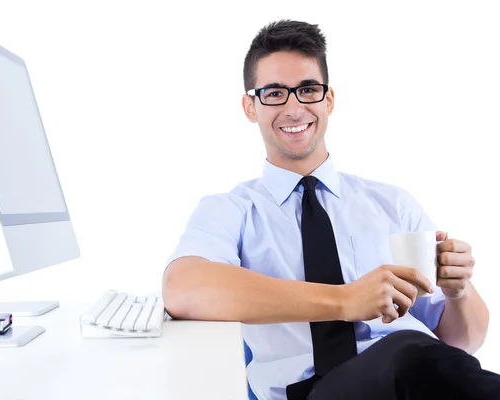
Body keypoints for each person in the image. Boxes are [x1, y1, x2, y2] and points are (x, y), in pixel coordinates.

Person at [162, 20, 499, 400]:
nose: (294, 107)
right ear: (250, 106)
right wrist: (345, 300)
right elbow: (182, 288)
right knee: (407, 354)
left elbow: (462, 342)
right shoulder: (231, 210)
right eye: (274, 93)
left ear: (329, 100)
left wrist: (459, 291)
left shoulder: (392, 203)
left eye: (308, 89)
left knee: (425, 360)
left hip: (423, 376)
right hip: (317, 390)